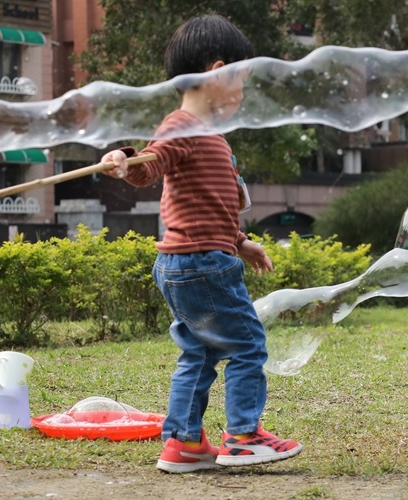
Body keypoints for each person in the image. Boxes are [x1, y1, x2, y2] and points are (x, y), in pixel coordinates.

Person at [101, 15, 302, 473]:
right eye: (242, 82)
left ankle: (184, 443)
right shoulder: (182, 126)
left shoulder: (207, 135)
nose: (243, 95)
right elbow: (150, 166)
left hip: (186, 259)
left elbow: (206, 208)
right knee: (248, 345)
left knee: (201, 350)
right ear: (218, 72)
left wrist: (241, 241)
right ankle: (244, 437)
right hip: (202, 263)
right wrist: (124, 159)